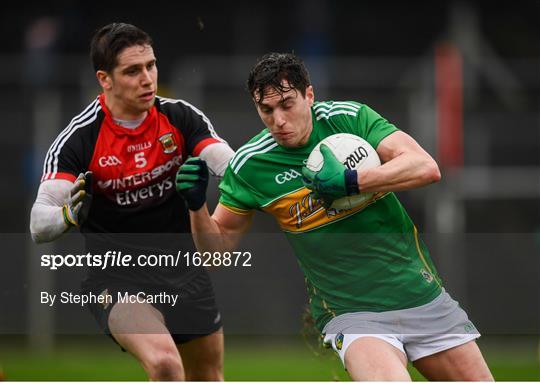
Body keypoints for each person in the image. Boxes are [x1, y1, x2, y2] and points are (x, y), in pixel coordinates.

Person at [176, 52, 494, 381]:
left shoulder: (348, 119)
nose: (279, 120)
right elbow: (215, 254)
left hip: (421, 296)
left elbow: (425, 167)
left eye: (287, 104)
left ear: (309, 96)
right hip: (352, 313)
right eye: (266, 110)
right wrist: (197, 207)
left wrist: (352, 182)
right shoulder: (250, 166)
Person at [29, 23, 234, 381]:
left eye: (151, 66)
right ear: (104, 79)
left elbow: (229, 165)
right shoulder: (80, 140)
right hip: (118, 280)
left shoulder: (178, 116)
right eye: (132, 71)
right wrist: (68, 214)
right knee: (166, 365)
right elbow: (38, 224)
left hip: (186, 275)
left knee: (207, 377)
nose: (147, 78)